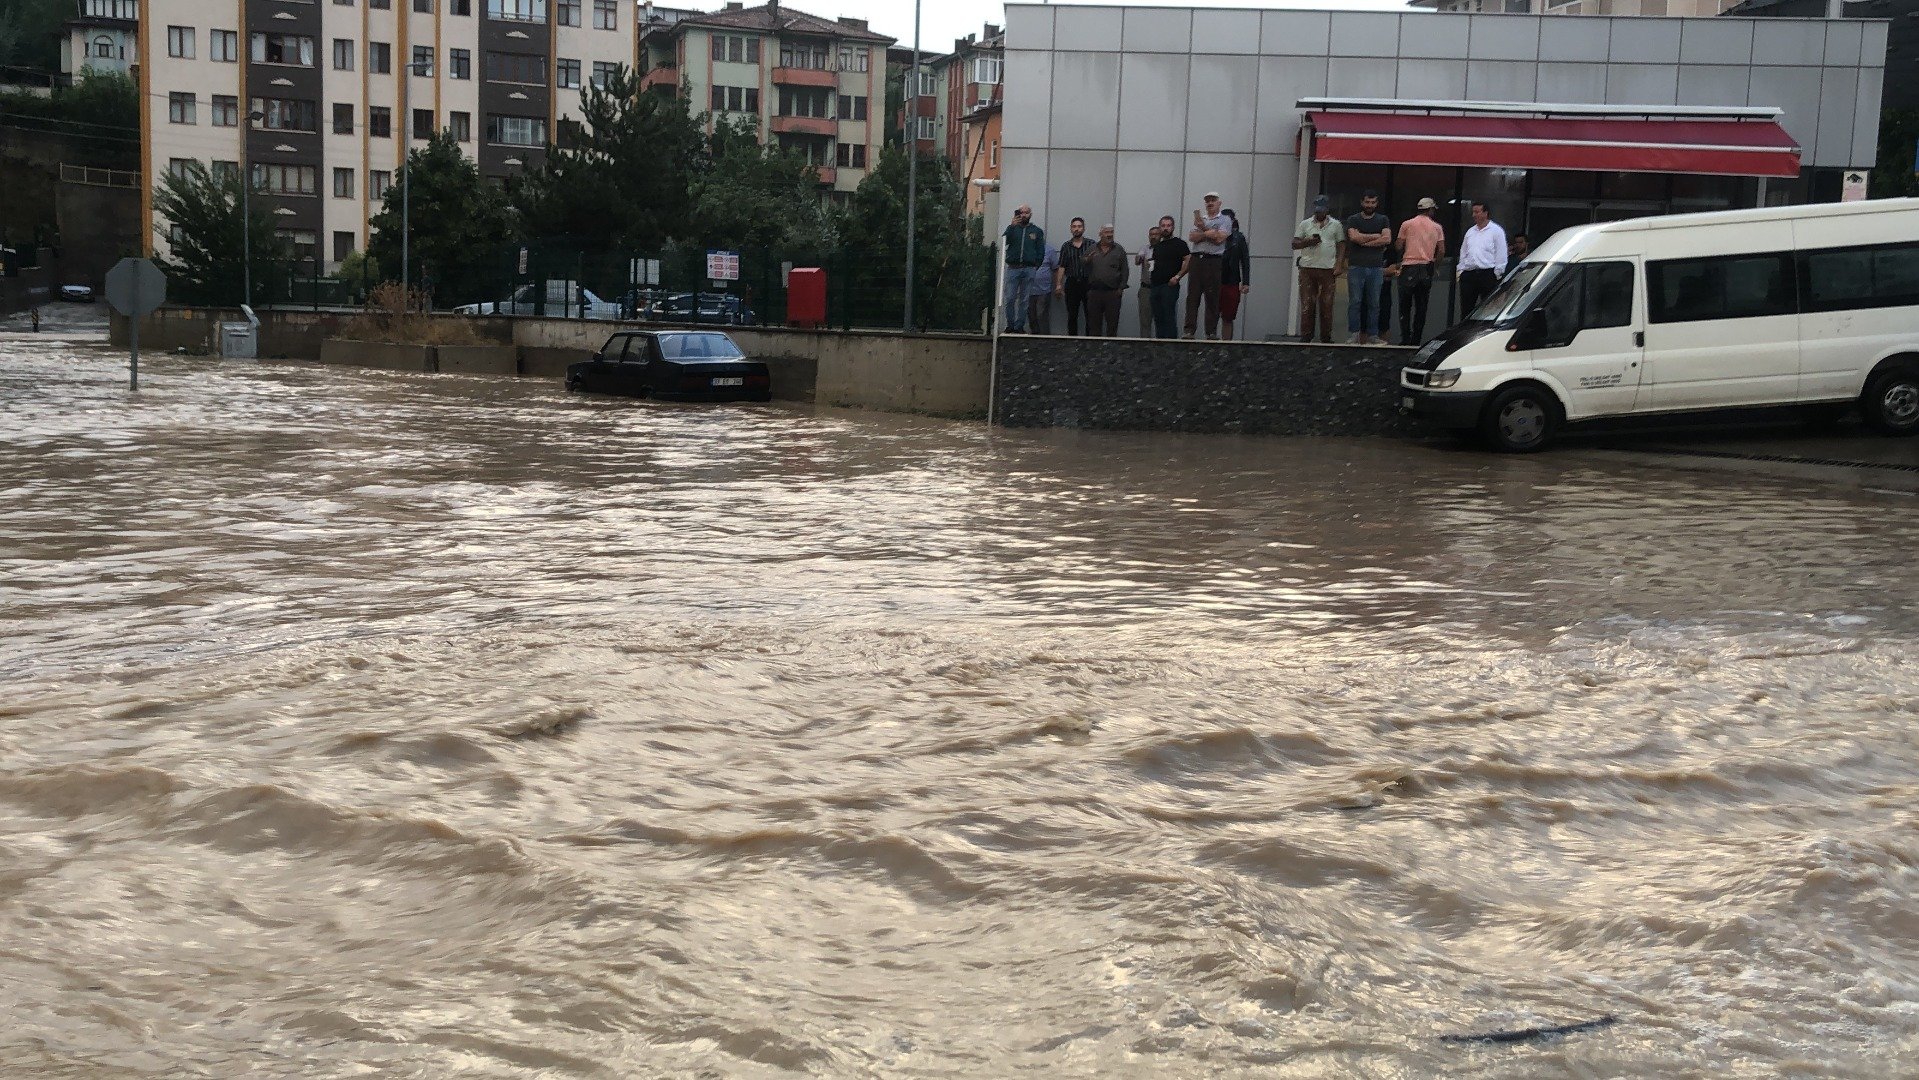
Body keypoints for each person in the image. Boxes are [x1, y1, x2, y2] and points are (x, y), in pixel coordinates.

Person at [1395, 196, 1447, 346]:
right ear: (1430, 210)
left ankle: (1405, 338)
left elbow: (1398, 245)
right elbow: (1442, 250)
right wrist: (1436, 266)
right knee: (1421, 306)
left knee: (1405, 306)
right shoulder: (1437, 227)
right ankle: (1416, 340)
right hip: (1426, 267)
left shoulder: (1407, 224)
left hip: (1409, 266)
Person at [1343, 190, 1392, 345]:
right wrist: (1376, 236)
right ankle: (1354, 335)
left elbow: (1387, 239)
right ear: (1361, 203)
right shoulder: (1353, 219)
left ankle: (1373, 336)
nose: (1370, 205)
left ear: (1376, 204)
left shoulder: (1383, 219)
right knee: (1355, 301)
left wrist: (1364, 240)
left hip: (1376, 267)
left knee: (1374, 302)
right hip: (1356, 266)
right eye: (1367, 202)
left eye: (1373, 203)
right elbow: (1353, 237)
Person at [1292, 195, 1342, 344]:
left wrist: (1339, 264)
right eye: (1317, 210)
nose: (1319, 213)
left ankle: (1326, 337)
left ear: (1327, 210)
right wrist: (1308, 241)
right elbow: (1294, 243)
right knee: (1307, 303)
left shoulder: (1336, 225)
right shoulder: (1305, 224)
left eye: (1322, 210)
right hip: (1307, 268)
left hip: (1327, 269)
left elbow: (1341, 244)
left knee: (1326, 304)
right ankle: (1306, 335)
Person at [1183, 191, 1229, 340]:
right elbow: (1192, 237)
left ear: (1219, 203)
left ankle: (1211, 332)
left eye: (1213, 200)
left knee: (1212, 296)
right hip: (1197, 260)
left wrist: (1202, 229)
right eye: (1207, 201)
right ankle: (1189, 330)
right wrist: (1209, 233)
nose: (1209, 203)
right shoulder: (1200, 219)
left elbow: (1220, 238)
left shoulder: (1225, 219)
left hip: (1213, 260)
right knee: (1193, 296)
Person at [1456, 201, 1509, 321]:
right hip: (1469, 274)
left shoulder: (1496, 231)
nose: (1474, 215)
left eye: (1477, 212)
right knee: (1466, 310)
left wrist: (1497, 273)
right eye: (1473, 212)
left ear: (1485, 213)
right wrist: (1461, 269)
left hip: (1487, 274)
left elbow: (1501, 252)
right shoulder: (1470, 232)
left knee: (1488, 309)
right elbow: (1463, 252)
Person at [1001, 205, 1045, 333]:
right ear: (1018, 214)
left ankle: (1019, 326)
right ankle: (1010, 325)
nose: (1024, 215)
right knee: (1009, 298)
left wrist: (1036, 265)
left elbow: (1040, 250)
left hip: (1029, 268)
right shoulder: (1013, 229)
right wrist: (1011, 226)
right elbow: (1005, 240)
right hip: (1013, 268)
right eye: (1021, 212)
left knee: (1024, 300)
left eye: (1026, 212)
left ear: (1030, 214)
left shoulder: (1036, 231)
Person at [1083, 224, 1130, 337]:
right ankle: (1094, 351)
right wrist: (1087, 259)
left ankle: (1111, 350)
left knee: (1112, 324)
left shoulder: (1119, 249)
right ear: (1100, 234)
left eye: (1111, 232)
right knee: (1094, 324)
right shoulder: (1092, 248)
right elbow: (1082, 262)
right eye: (1107, 232)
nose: (1109, 235)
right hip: (1095, 292)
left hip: (1113, 293)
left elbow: (1125, 270)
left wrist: (1121, 288)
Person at [1149, 214, 1190, 340]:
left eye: (1168, 226)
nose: (1165, 228)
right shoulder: (1157, 246)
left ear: (1173, 228)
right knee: (1158, 317)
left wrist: (1177, 277)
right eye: (1163, 226)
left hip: (1169, 286)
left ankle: (1171, 346)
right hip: (1155, 286)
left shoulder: (1179, 244)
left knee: (1169, 316)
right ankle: (1159, 344)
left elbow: (1189, 260)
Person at [1056, 217, 1094, 336]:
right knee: (1072, 315)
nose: (1077, 229)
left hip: (1088, 282)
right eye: (1074, 227)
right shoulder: (1066, 246)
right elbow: (1062, 266)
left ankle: (1090, 341)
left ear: (1083, 228)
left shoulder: (1091, 244)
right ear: (1071, 229)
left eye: (1079, 226)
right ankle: (1072, 341)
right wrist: (1058, 284)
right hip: (1072, 283)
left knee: (1090, 314)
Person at [1218, 209, 1250, 342]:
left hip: (1232, 280)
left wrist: (1246, 282)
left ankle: (1226, 344)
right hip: (1216, 279)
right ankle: (1212, 340)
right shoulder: (1215, 236)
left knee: (1228, 316)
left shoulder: (1239, 237)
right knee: (1213, 313)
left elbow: (1245, 260)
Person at [1028, 242, 1060, 335]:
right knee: (1031, 316)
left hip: (1044, 289)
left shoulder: (1049, 250)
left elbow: (1055, 269)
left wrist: (1058, 286)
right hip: (1028, 289)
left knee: (1041, 315)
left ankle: (1044, 338)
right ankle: (1034, 338)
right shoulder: (1026, 250)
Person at [1134, 224, 1159, 338]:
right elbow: (1137, 260)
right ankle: (1144, 349)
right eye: (1151, 235)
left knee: (1162, 320)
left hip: (1161, 287)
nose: (1153, 237)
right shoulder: (1144, 248)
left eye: (1156, 234)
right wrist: (1140, 258)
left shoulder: (1165, 249)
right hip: (1146, 288)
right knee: (1145, 321)